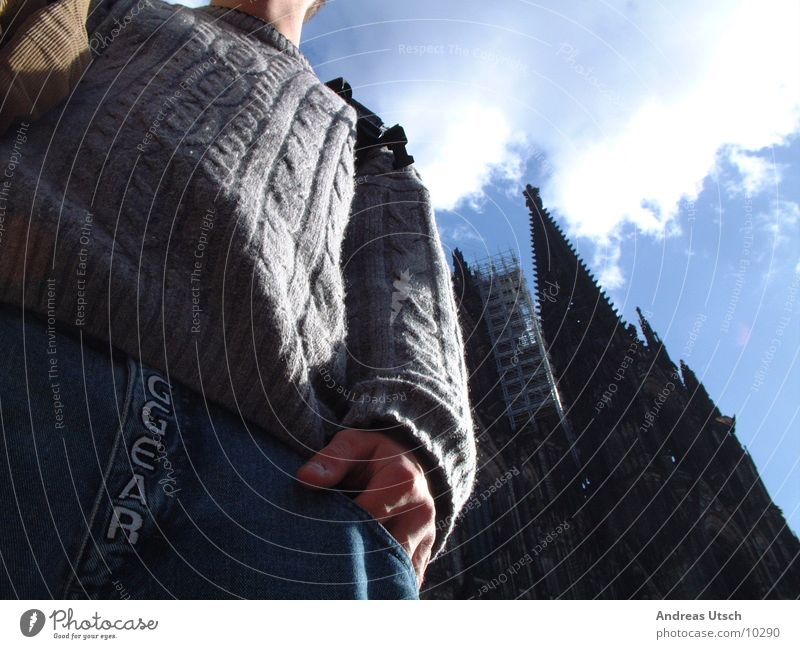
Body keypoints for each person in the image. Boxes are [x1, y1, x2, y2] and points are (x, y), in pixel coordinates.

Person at [0, 0, 476, 599]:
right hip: (31, 353)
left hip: (278, 478)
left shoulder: (364, 135)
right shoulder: (112, 12)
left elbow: (405, 265)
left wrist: (415, 433)